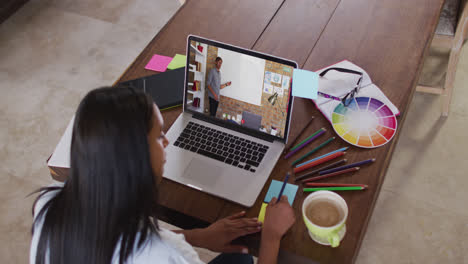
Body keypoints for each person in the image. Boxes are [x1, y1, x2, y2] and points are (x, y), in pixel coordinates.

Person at [30, 86, 295, 264]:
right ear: (136, 158)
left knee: (238, 258)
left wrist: (199, 236)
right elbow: (155, 249)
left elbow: (120, 240)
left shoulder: (49, 205)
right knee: (245, 257)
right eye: (159, 135)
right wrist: (271, 237)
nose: (167, 141)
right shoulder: (165, 256)